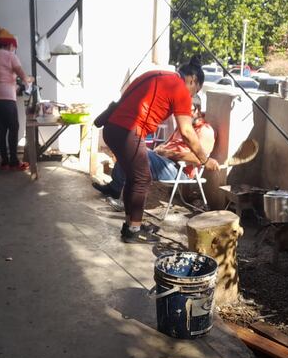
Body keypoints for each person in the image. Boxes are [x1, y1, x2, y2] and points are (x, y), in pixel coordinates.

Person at [102, 58, 220, 243]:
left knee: (135, 177)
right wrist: (205, 160)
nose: (191, 97)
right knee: (142, 178)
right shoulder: (180, 89)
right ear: (192, 81)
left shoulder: (155, 74)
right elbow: (187, 132)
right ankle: (134, 230)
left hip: (112, 129)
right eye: (195, 91)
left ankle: (131, 225)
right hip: (129, 131)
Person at [93, 104, 215, 202]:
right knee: (129, 148)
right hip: (166, 161)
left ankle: (127, 203)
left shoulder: (205, 130)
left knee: (136, 152)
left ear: (197, 110)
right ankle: (115, 187)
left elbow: (199, 159)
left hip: (180, 170)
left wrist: (169, 154)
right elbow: (167, 144)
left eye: (187, 111)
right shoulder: (183, 126)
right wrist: (160, 150)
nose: (182, 115)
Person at [0, 26, 34, 170]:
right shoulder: (11, 56)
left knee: (1, 128)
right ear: (11, 45)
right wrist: (29, 80)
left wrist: (14, 86)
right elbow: (22, 75)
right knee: (13, 127)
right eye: (14, 46)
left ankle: (4, 162)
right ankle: (14, 162)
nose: (14, 49)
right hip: (5, 98)